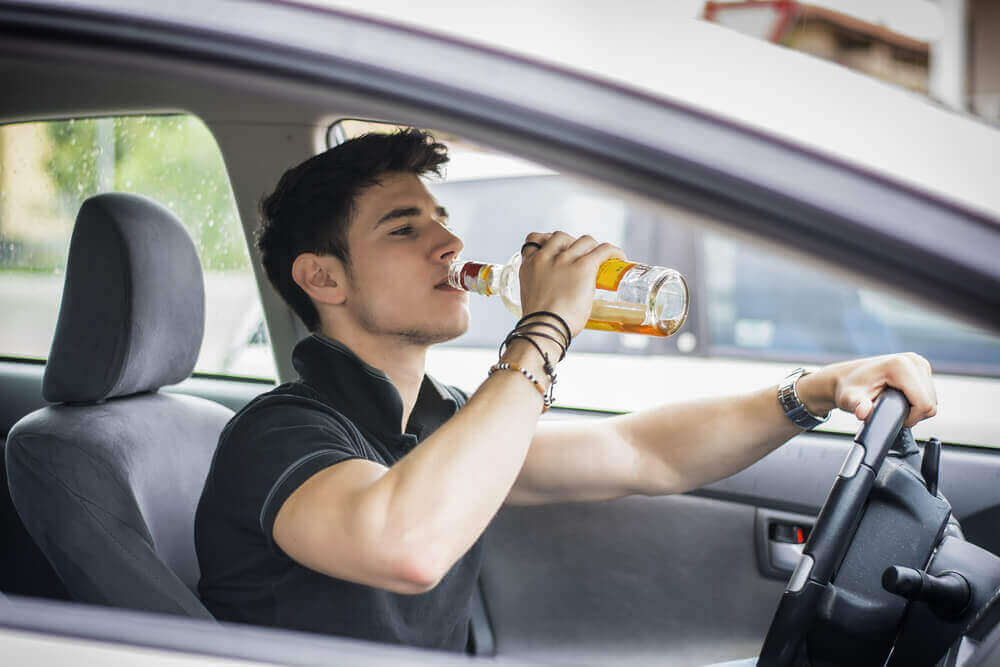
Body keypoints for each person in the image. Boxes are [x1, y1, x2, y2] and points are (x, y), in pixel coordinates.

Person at [193, 129, 937, 652]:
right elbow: (407, 543)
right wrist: (546, 323)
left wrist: (815, 389)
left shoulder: (437, 419)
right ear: (322, 277)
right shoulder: (278, 433)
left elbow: (642, 451)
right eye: (403, 228)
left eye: (441, 217)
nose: (449, 244)